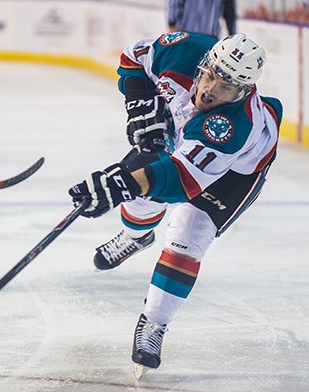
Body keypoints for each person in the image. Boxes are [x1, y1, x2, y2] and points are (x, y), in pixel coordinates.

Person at [68, 31, 281, 377]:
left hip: (236, 173)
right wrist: (139, 103)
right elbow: (133, 58)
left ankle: (154, 323)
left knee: (188, 234)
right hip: (186, 137)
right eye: (211, 74)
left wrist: (118, 185)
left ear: (241, 91)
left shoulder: (234, 126)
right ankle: (136, 236)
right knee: (137, 186)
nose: (211, 89)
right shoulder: (184, 50)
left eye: (226, 87)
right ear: (205, 62)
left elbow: (180, 181)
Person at [167, 0, 237, 38]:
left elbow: (229, 9)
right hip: (186, 33)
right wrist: (172, 23)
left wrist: (233, 34)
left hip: (211, 35)